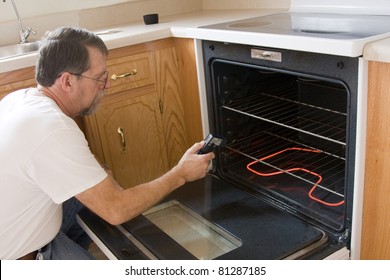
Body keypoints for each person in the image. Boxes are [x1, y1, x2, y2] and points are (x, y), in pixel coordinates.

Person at [0, 27, 215, 260]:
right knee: (110, 205)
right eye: (100, 79)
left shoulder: (20, 99)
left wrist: (107, 188)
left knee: (93, 185)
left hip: (18, 229)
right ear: (68, 81)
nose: (107, 85)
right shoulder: (52, 127)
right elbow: (116, 210)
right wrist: (180, 174)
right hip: (17, 257)